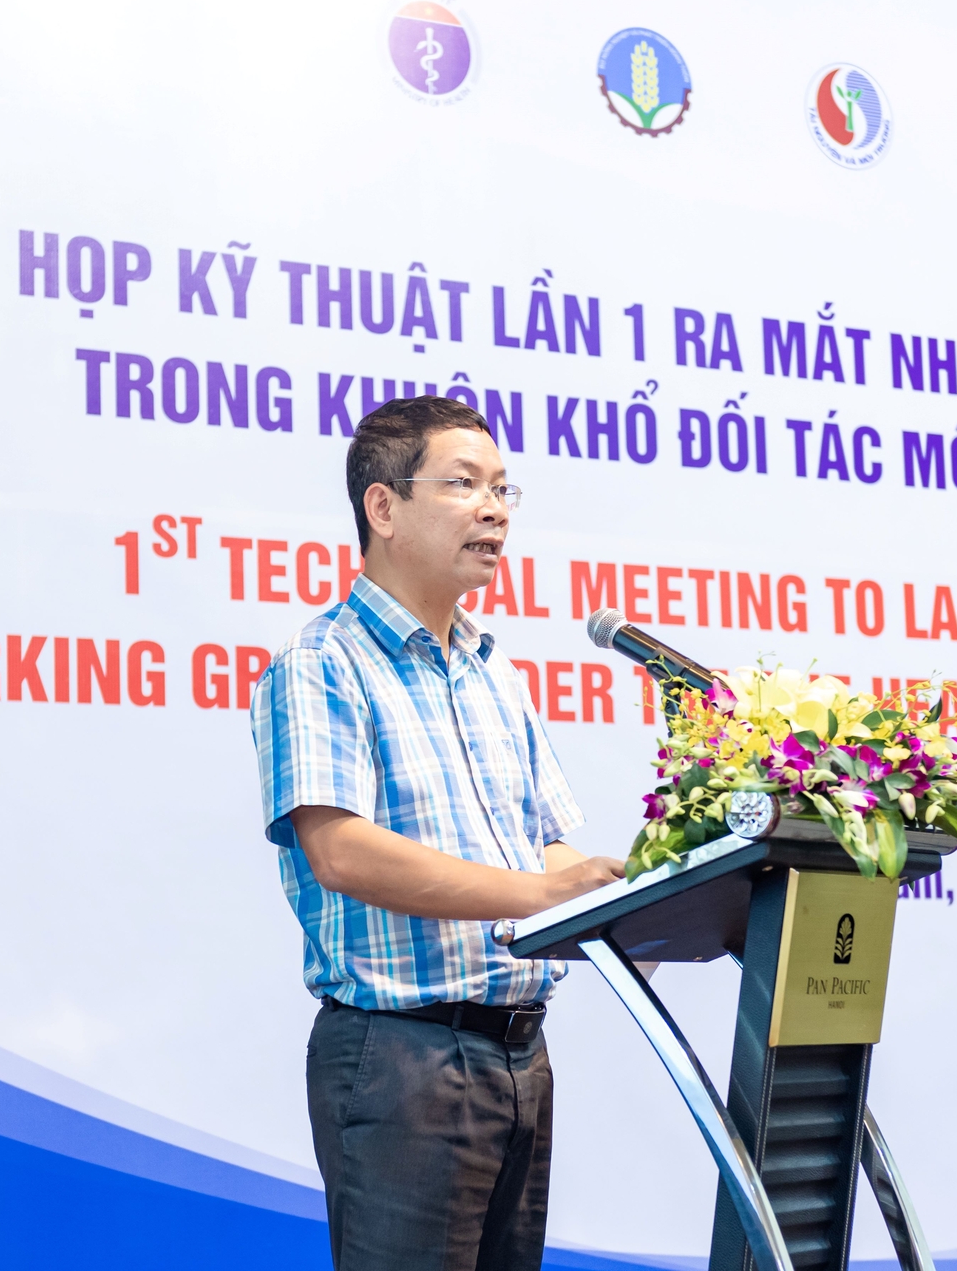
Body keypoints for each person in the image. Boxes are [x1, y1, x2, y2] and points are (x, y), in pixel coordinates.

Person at [251, 395, 625, 1271]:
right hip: (401, 1059)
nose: (495, 509)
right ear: (383, 508)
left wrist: (622, 902)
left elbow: (542, 850)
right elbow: (340, 850)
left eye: (503, 489)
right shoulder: (322, 665)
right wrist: (544, 895)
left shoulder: (494, 673)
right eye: (464, 485)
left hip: (517, 1053)